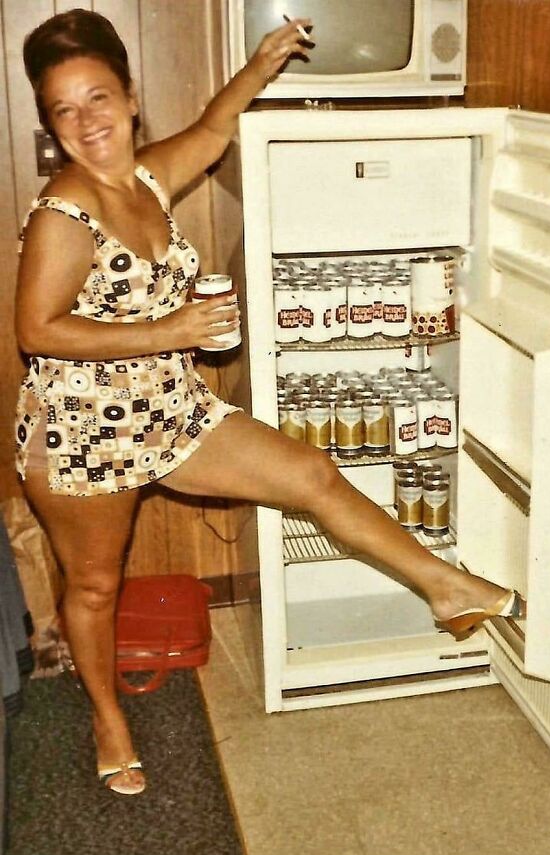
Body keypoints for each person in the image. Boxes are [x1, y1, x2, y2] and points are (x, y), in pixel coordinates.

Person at [15, 9, 524, 797]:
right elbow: (37, 329)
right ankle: (107, 720)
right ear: (49, 123)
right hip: (84, 430)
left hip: (168, 409)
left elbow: (216, 128)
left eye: (99, 97)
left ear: (129, 96)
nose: (87, 121)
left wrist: (261, 65)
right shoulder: (63, 212)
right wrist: (174, 326)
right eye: (64, 109)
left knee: (312, 473)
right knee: (93, 586)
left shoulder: (145, 177)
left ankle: (444, 588)